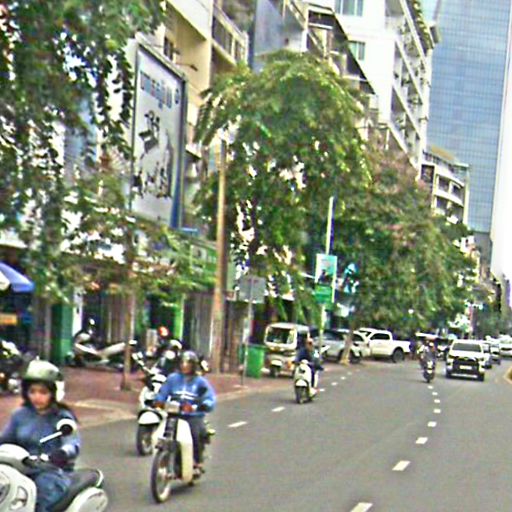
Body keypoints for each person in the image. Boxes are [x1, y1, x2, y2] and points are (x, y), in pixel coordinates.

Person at [0, 360, 80, 512]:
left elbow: (72, 443)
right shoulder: (20, 415)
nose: (37, 397)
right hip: (21, 469)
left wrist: (61, 453)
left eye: (43, 392)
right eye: (32, 391)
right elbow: (5, 439)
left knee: (39, 497)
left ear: (54, 393)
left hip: (52, 471)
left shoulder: (62, 417)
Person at [155, 350, 216, 474]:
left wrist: (202, 406)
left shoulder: (200, 382)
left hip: (192, 416)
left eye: (188, 363)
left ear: (193, 365)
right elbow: (163, 392)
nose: (184, 366)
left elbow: (209, 398)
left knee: (195, 434)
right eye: (182, 362)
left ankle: (197, 461)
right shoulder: (172, 379)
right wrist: (158, 401)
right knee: (163, 433)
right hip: (174, 414)